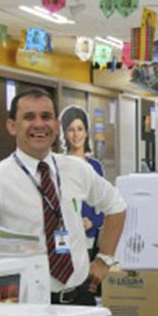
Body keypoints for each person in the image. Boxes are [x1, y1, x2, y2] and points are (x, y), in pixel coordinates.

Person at [0, 88, 126, 305]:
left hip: (80, 300)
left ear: (56, 125)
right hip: (29, 307)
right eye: (29, 117)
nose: (39, 124)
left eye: (46, 117)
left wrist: (104, 259)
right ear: (11, 126)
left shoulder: (76, 169)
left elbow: (116, 205)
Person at [60, 105, 105, 261]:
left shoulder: (95, 167)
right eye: (71, 129)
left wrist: (92, 222)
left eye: (80, 129)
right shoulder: (58, 165)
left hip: (88, 236)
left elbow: (103, 204)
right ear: (65, 133)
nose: (76, 134)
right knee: (64, 280)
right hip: (64, 236)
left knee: (85, 281)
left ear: (86, 132)